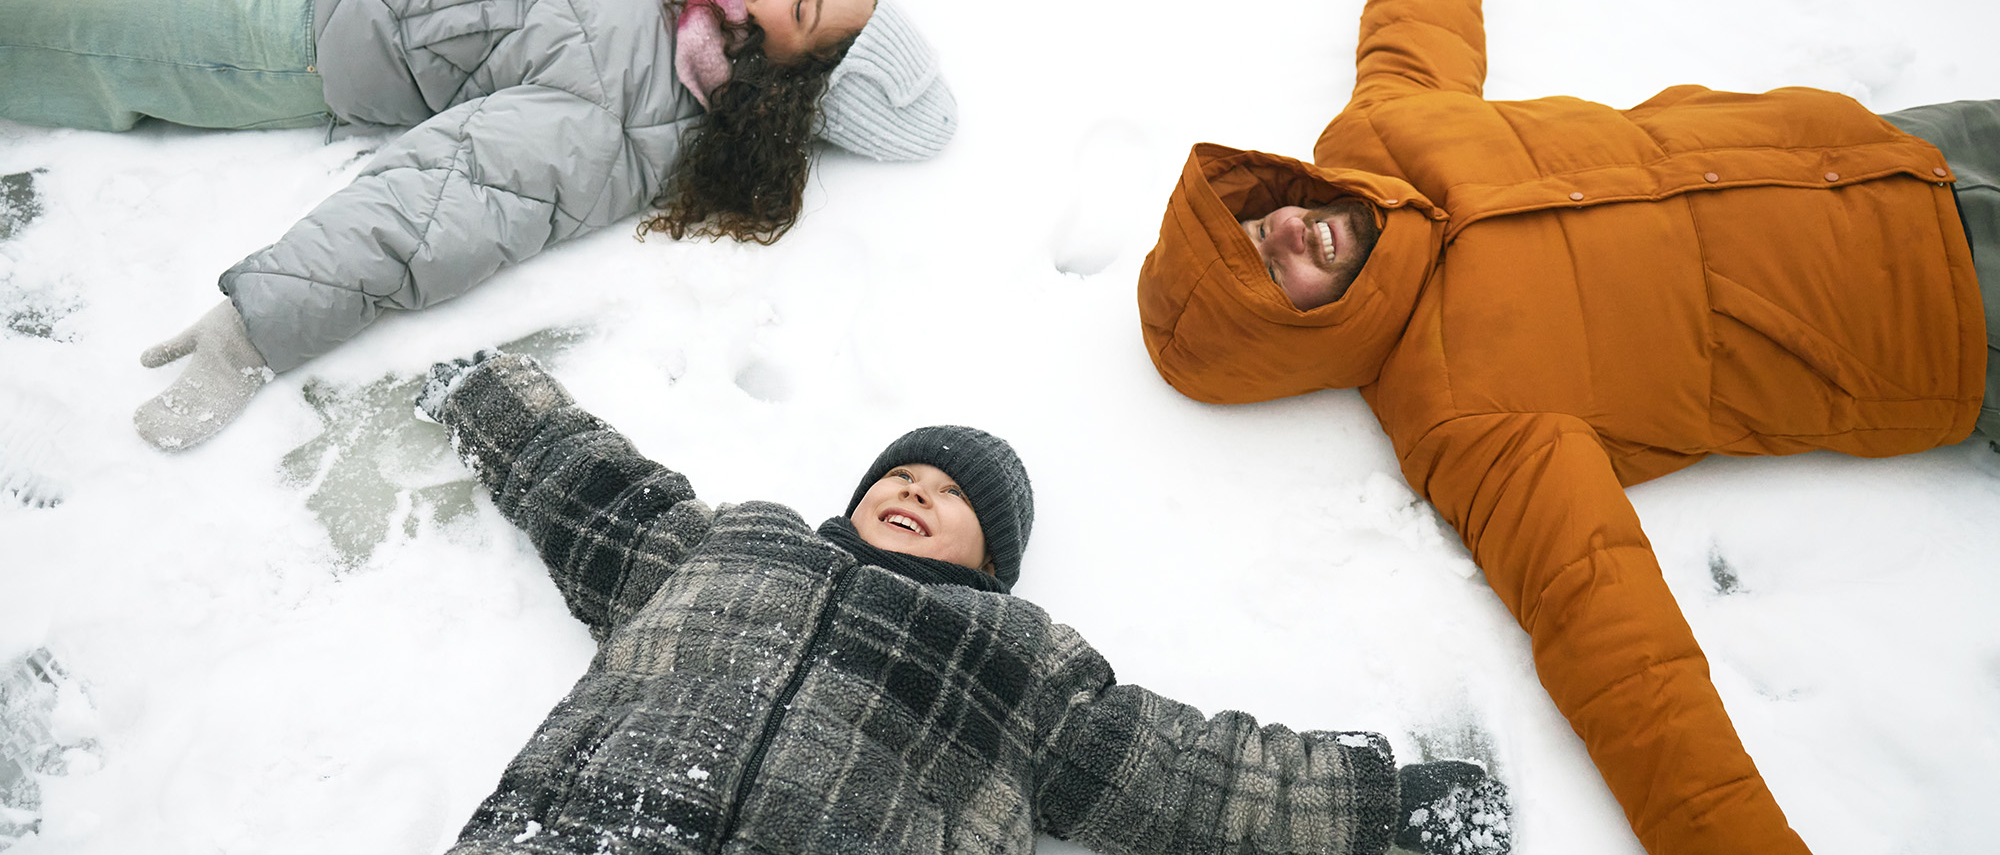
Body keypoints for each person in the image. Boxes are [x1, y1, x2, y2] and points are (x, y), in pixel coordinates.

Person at [1134, 0, 1998, 855]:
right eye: (1271, 277)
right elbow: (1615, 653)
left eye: (1252, 226)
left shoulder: (1375, 135)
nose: (1282, 233)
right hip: (1955, 312)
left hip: (1901, 146)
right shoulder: (1461, 418)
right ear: (1295, 341)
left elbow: (1413, 18)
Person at [0, 0, 958, 451]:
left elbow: (444, 202)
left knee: (25, 8)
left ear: (785, 86)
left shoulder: (638, 111)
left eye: (806, 17)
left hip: (275, 21)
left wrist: (258, 327)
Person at [410, 348, 1511, 855]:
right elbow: (593, 491)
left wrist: (1383, 805)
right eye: (899, 476)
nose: (912, 492)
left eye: (947, 496)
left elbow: (1182, 774)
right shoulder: (732, 547)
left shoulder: (1012, 656)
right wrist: (489, 395)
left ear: (991, 561)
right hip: (595, 829)